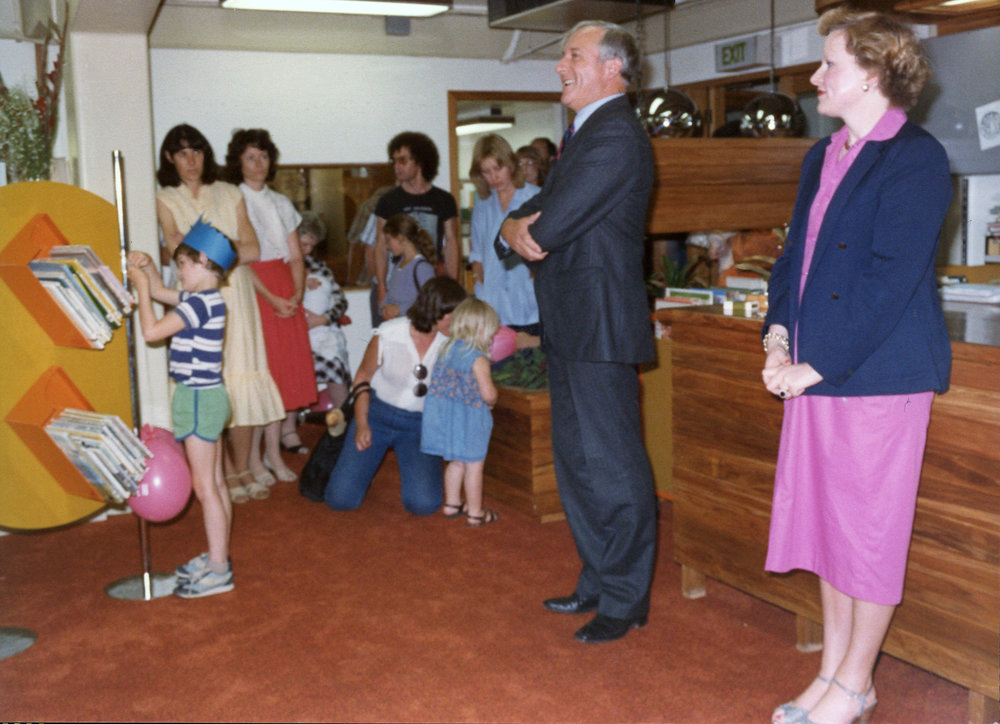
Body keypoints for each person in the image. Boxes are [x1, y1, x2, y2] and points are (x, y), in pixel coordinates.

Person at [760, 9, 952, 724]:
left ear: (873, 73)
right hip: (815, 367)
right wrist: (779, 337)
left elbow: (889, 279)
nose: (815, 77)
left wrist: (816, 366)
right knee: (831, 528)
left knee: (868, 533)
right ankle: (835, 670)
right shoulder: (824, 154)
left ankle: (856, 680)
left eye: (829, 64)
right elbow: (792, 260)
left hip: (877, 373)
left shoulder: (917, 160)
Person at [498, 21, 656, 644]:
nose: (560, 65)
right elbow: (525, 220)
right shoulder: (583, 134)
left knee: (613, 467)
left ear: (612, 68)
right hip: (569, 324)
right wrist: (516, 225)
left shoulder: (615, 135)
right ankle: (598, 576)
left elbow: (546, 225)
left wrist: (518, 228)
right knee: (578, 465)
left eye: (573, 55)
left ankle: (625, 598)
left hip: (599, 328)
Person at [155, 123, 284, 505]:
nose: (191, 160)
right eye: (182, 153)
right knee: (210, 381)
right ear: (169, 158)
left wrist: (203, 252)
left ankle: (242, 465)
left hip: (235, 294)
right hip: (194, 296)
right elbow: (174, 246)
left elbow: (254, 248)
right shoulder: (165, 197)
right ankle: (224, 470)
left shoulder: (228, 192)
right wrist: (220, 250)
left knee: (243, 375)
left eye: (197, 151)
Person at [126, 221, 237, 598]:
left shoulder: (199, 304)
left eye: (183, 266)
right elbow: (161, 290)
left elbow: (152, 332)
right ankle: (217, 556)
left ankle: (219, 570)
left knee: (206, 488)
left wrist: (140, 288)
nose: (179, 275)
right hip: (208, 396)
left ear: (203, 262)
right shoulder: (204, 298)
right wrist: (149, 271)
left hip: (196, 398)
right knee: (217, 484)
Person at [324, 276, 467, 515]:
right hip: (376, 415)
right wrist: (361, 424)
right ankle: (357, 467)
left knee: (424, 505)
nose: (460, 322)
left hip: (418, 425)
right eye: (455, 315)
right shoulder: (390, 332)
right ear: (436, 311)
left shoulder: (452, 342)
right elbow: (362, 379)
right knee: (341, 500)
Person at [224, 129, 317, 479]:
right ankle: (253, 460)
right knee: (264, 376)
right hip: (256, 292)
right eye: (250, 157)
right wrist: (273, 297)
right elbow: (242, 261)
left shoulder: (281, 203)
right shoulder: (235, 200)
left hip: (286, 290)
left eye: (263, 156)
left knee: (285, 379)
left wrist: (295, 294)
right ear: (239, 162)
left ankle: (275, 457)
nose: (258, 164)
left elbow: (295, 256)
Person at [420, 297, 500, 527]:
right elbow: (487, 394)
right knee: (474, 465)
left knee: (455, 462)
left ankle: (452, 504)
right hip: (470, 419)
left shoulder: (446, 349)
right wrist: (493, 400)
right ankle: (475, 513)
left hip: (447, 418)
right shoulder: (478, 358)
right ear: (482, 329)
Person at [373, 132, 460, 317]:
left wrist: (452, 286)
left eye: (403, 160)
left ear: (419, 161)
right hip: (395, 283)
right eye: (394, 161)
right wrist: (381, 286)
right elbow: (380, 245)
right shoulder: (388, 201)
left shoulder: (444, 200)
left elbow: (451, 243)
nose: (397, 166)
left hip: (428, 282)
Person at [468, 135, 541, 337]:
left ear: (510, 164)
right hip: (494, 310)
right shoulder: (482, 208)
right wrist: (480, 287)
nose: (494, 177)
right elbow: (477, 257)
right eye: (486, 172)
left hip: (532, 308)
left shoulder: (536, 197)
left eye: (498, 169)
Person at [298, 212, 351, 412]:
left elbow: (340, 300)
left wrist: (324, 319)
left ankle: (343, 423)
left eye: (312, 245)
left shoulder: (320, 267)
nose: (308, 251)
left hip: (320, 332)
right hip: (294, 337)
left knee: (335, 366)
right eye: (304, 244)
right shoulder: (282, 265)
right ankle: (289, 430)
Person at [379, 213, 437, 321]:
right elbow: (390, 295)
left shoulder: (422, 268)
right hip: (395, 327)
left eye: (388, 240)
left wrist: (400, 310)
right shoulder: (398, 266)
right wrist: (384, 308)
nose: (387, 246)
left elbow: (430, 304)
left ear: (400, 238)